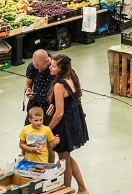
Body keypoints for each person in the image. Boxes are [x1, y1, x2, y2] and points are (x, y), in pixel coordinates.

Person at [47, 55, 89, 194]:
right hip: (74, 120)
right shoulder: (71, 76)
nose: (50, 68)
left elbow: (59, 113)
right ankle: (82, 188)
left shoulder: (59, 86)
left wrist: (48, 129)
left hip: (64, 125)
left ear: (60, 69)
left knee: (64, 161)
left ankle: (67, 190)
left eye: (53, 66)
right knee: (67, 158)